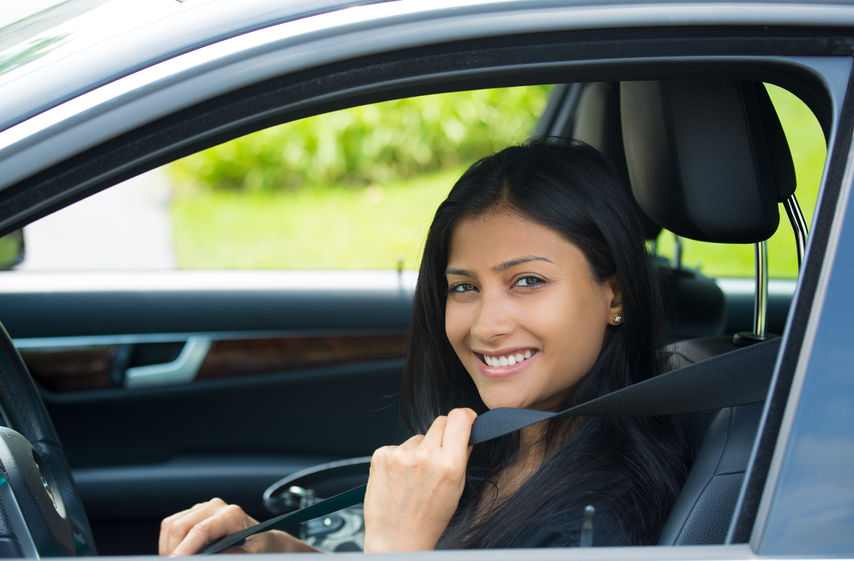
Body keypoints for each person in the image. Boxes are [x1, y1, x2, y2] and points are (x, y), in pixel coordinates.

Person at [158, 140, 691, 555]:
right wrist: (272, 546)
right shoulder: (510, 443)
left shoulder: (598, 529)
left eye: (527, 281)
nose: (487, 325)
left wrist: (397, 546)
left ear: (614, 293)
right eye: (464, 287)